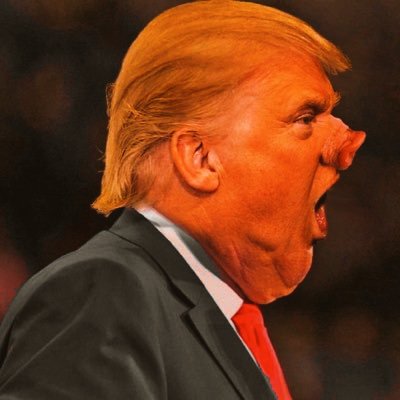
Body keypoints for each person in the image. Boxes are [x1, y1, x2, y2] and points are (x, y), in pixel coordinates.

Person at [0, 1, 365, 399]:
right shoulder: (102, 293)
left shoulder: (218, 313)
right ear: (200, 158)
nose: (348, 145)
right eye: (306, 118)